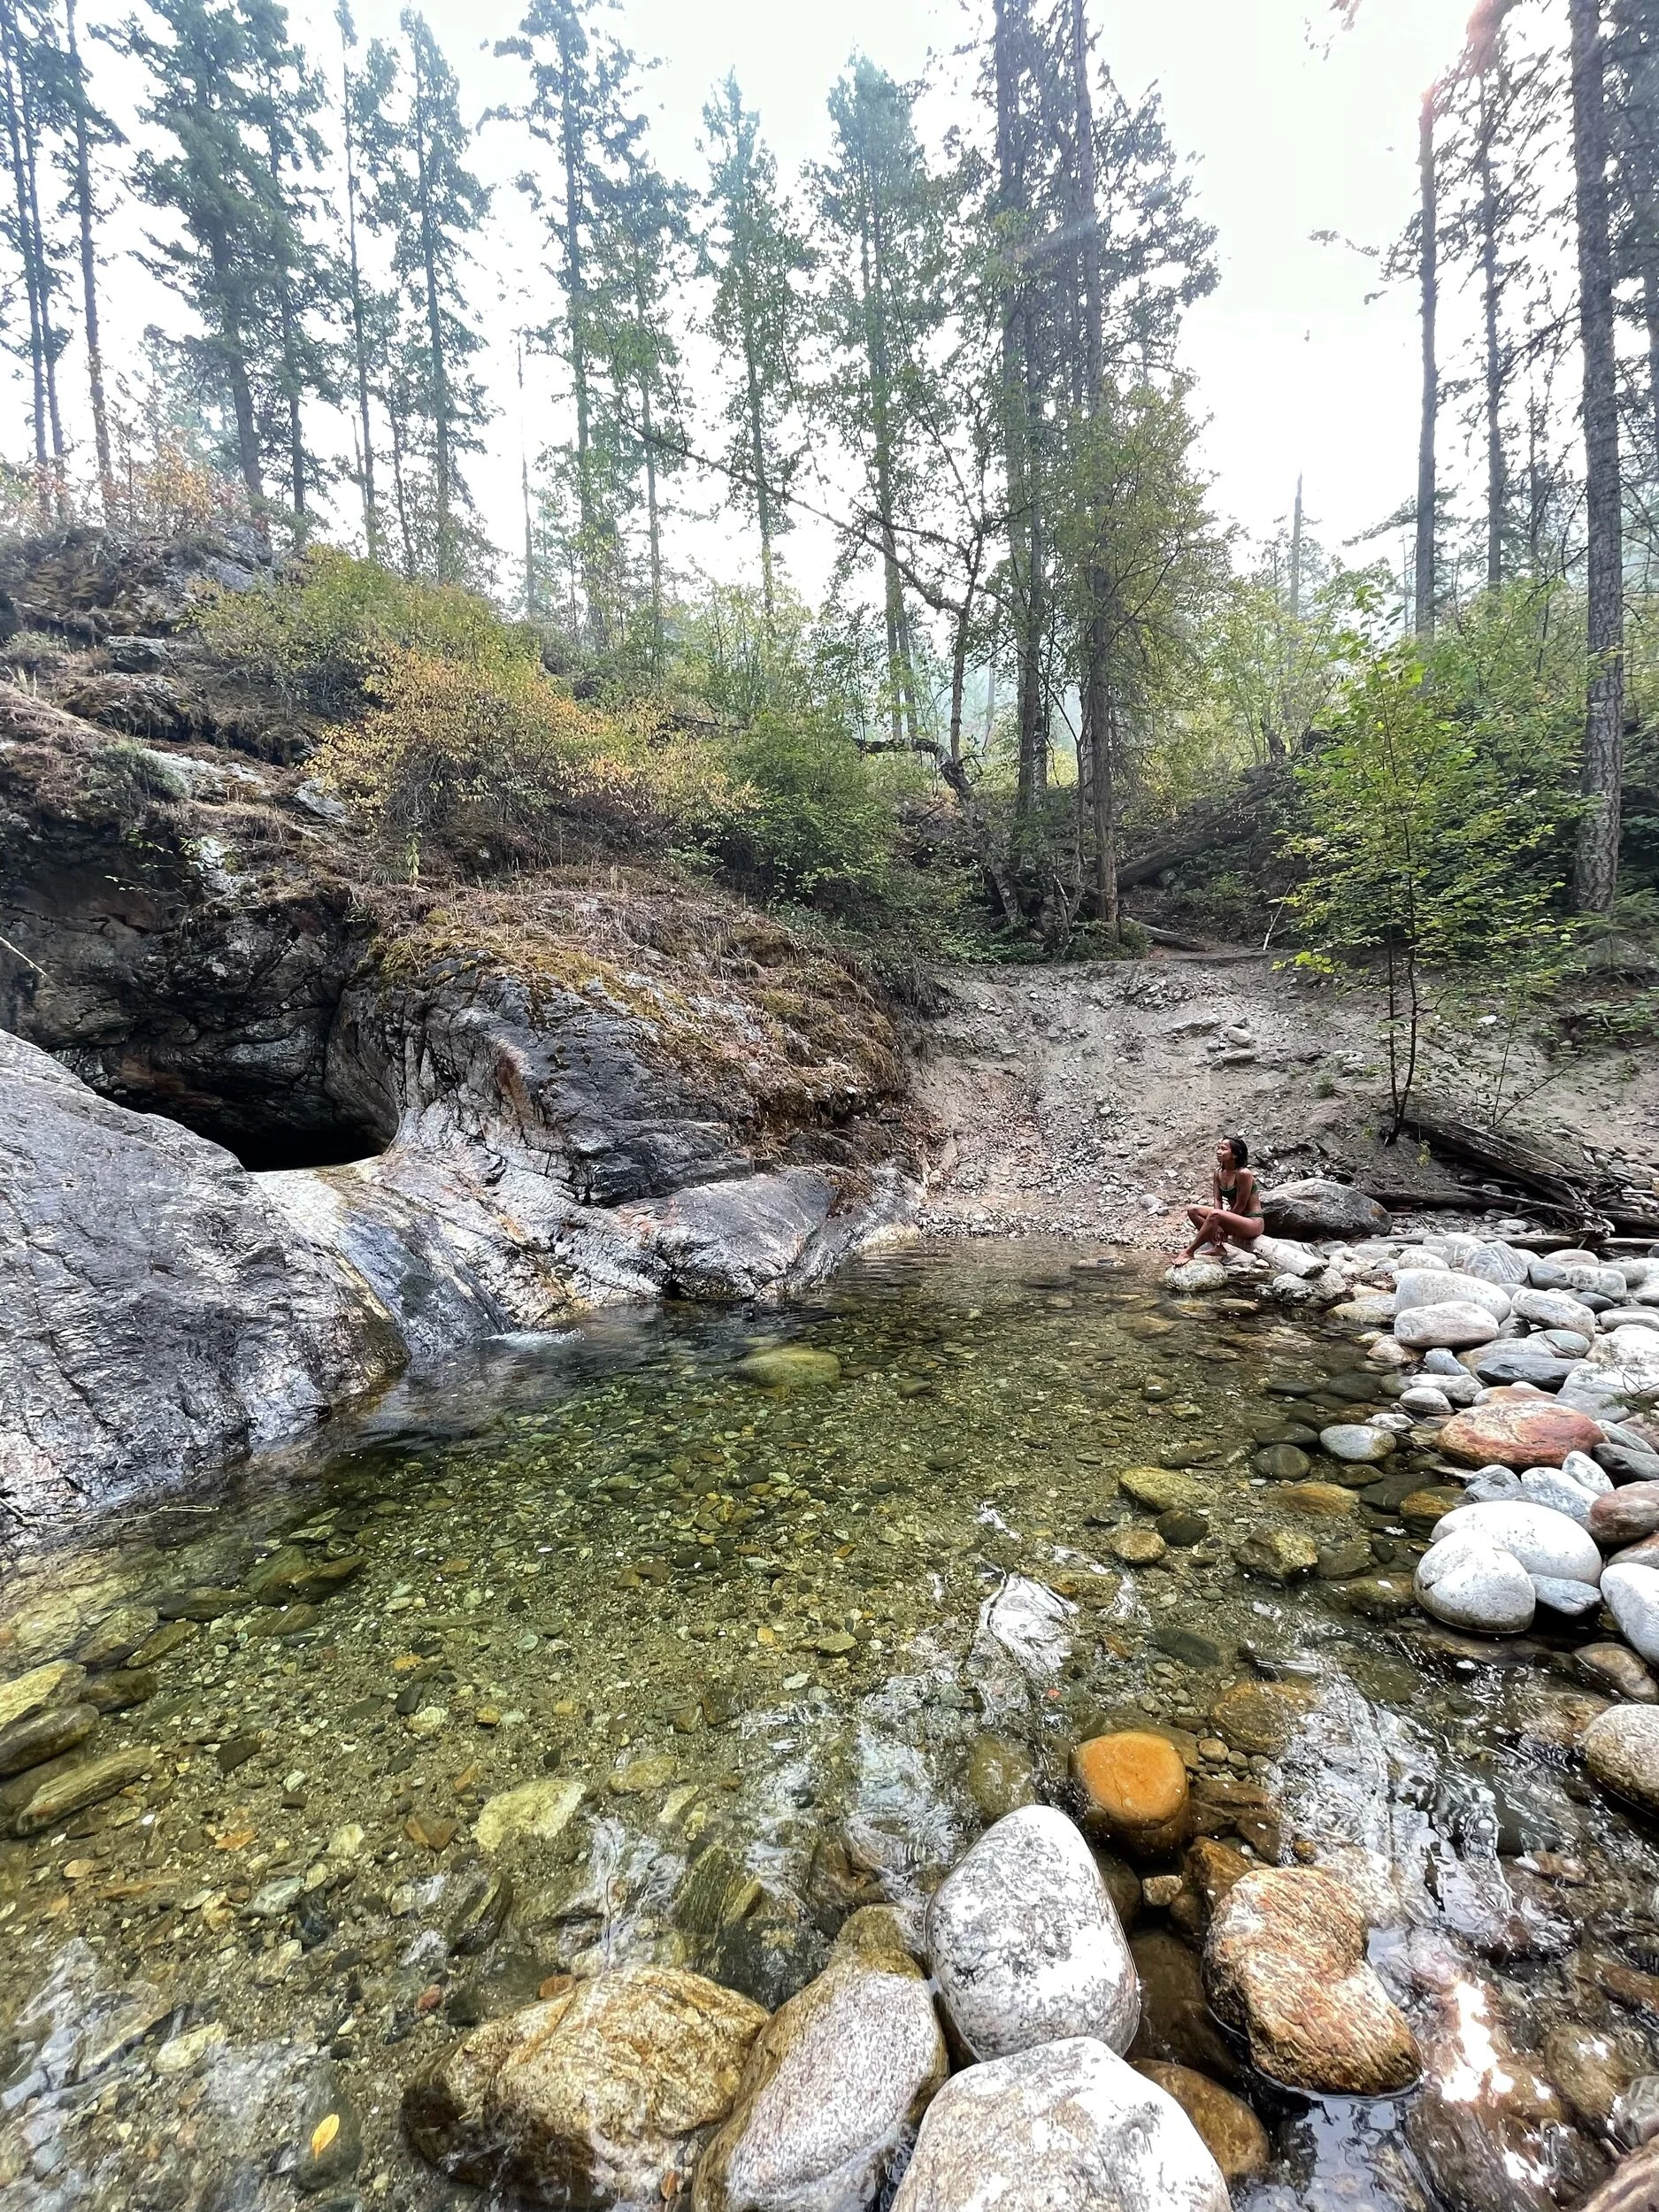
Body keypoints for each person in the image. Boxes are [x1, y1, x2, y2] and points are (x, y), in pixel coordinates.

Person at [1178, 1136, 1263, 1258]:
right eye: (1218, 1148)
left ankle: (1189, 1252)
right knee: (1193, 1210)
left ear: (1234, 1155)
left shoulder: (1244, 1174)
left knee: (1216, 1215)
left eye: (1223, 1149)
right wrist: (1218, 1224)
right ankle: (1218, 1247)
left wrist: (1223, 1227)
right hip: (1234, 1218)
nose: (1218, 1152)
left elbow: (1241, 1204)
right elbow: (1217, 1200)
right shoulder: (1218, 1173)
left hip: (1252, 1222)